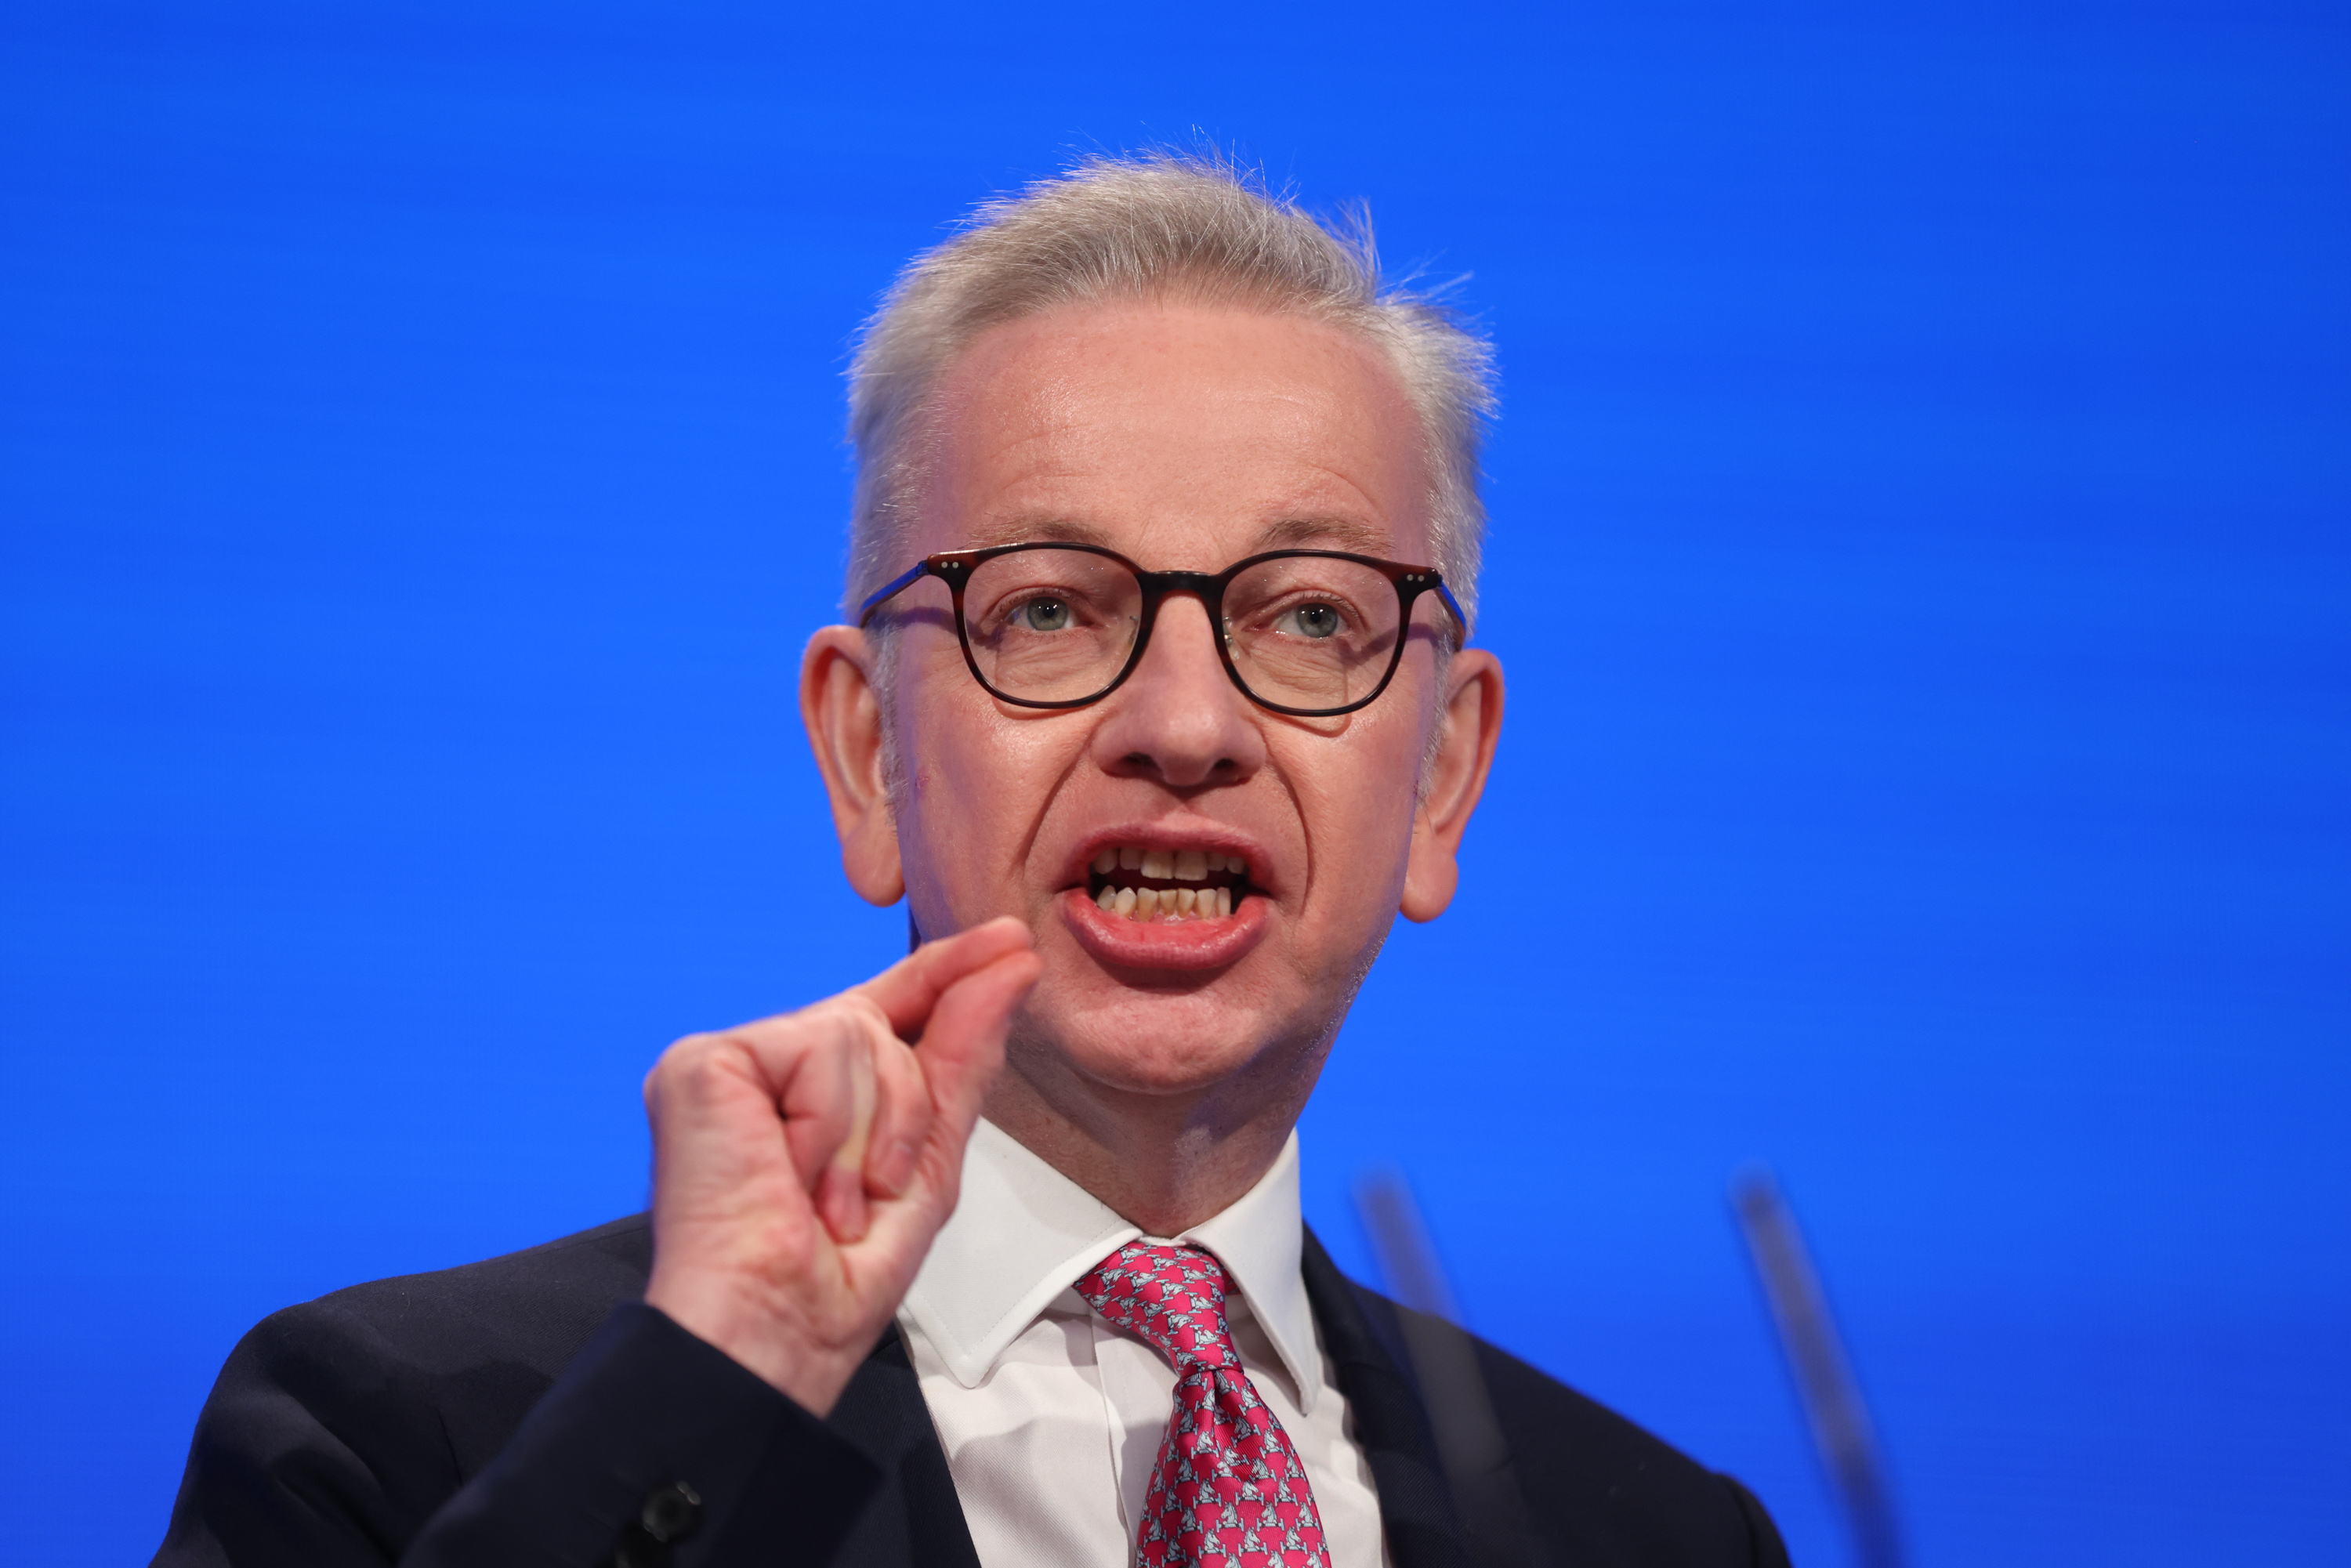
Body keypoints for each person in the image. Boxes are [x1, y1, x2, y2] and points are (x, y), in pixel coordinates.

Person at [154, 154, 1790, 1568]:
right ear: (867, 750)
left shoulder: (1658, 1533)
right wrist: (709, 1387)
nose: (1186, 723)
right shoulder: (404, 1435)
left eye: (1309, 616)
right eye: (1050, 607)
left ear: (1442, 774)